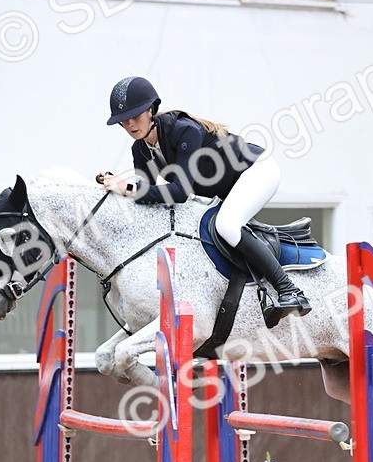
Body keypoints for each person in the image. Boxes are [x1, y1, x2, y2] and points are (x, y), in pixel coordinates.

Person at [96, 76, 310, 325]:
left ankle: (289, 290)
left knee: (227, 225)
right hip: (230, 186)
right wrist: (116, 188)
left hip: (257, 170)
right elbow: (148, 196)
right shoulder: (141, 150)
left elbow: (178, 193)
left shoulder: (184, 130)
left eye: (136, 115)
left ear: (151, 109)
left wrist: (127, 186)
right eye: (124, 120)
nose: (130, 124)